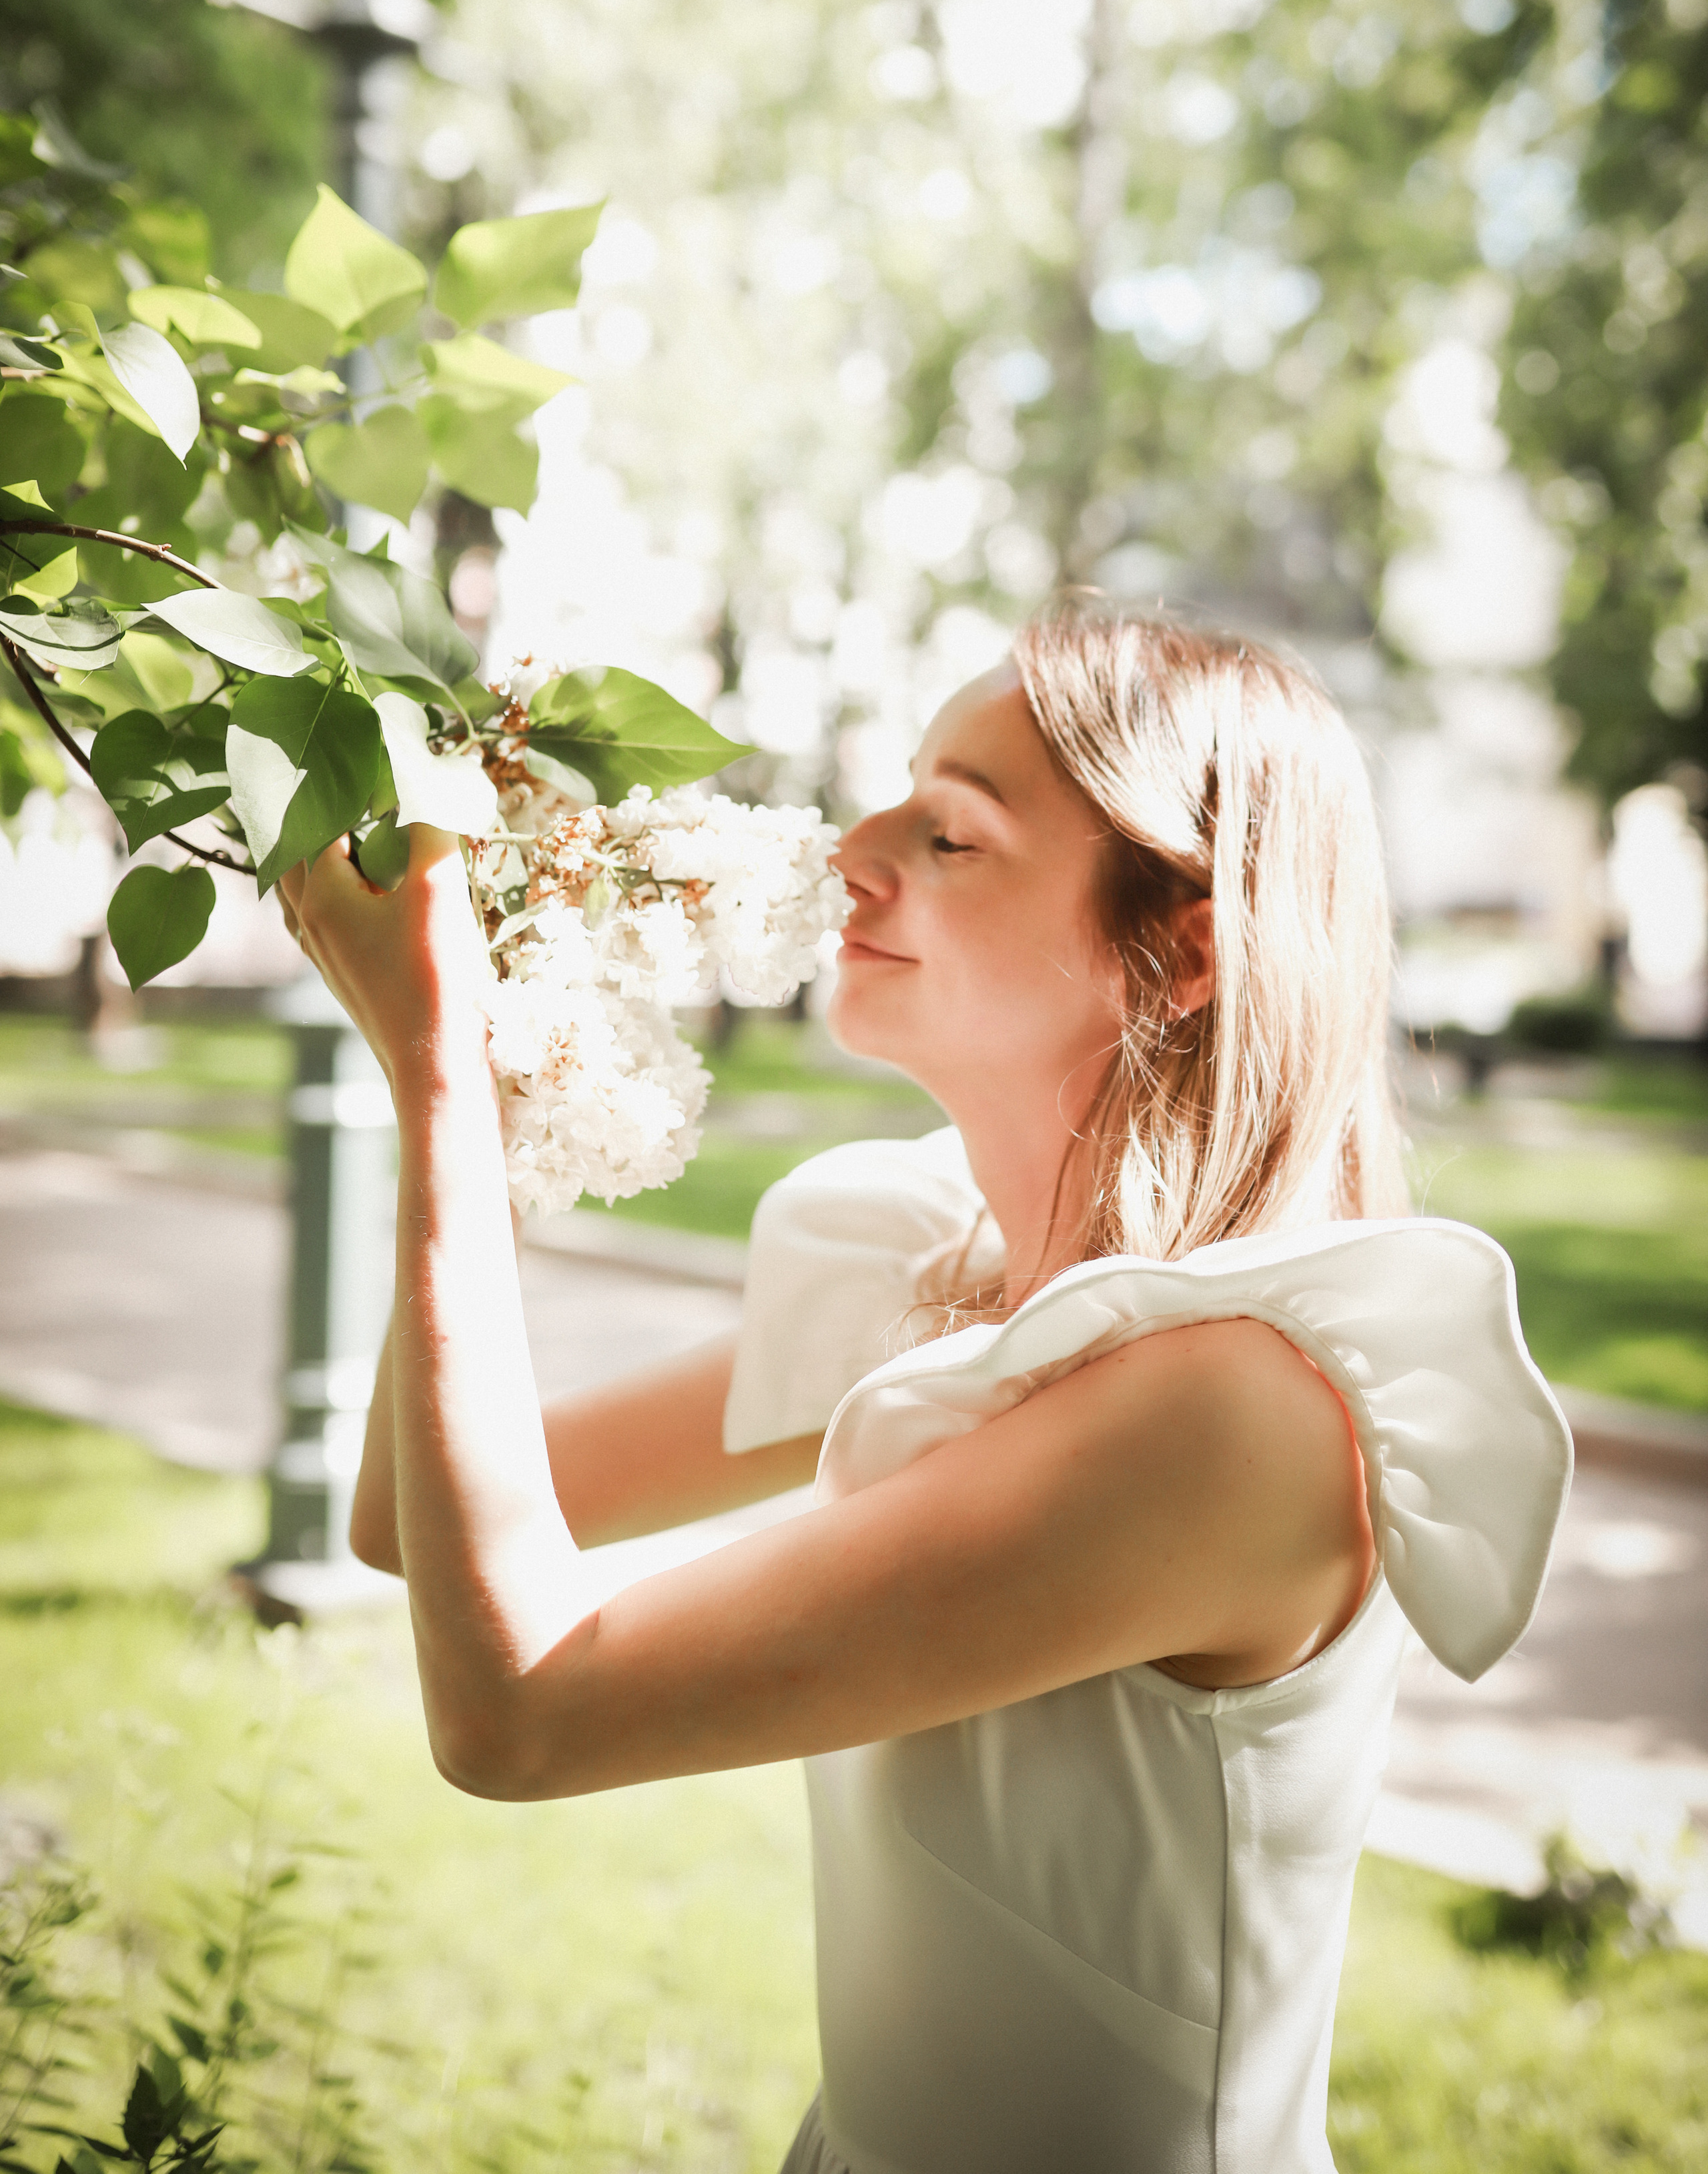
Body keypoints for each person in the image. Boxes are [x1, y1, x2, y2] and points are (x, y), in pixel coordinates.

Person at [280, 601, 1572, 2174]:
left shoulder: (1230, 1410)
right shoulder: (941, 1278)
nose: (852, 847)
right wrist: (479, 1086)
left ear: (1172, 958)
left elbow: (521, 1715)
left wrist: (431, 1091)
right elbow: (401, 1525)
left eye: (950, 835)